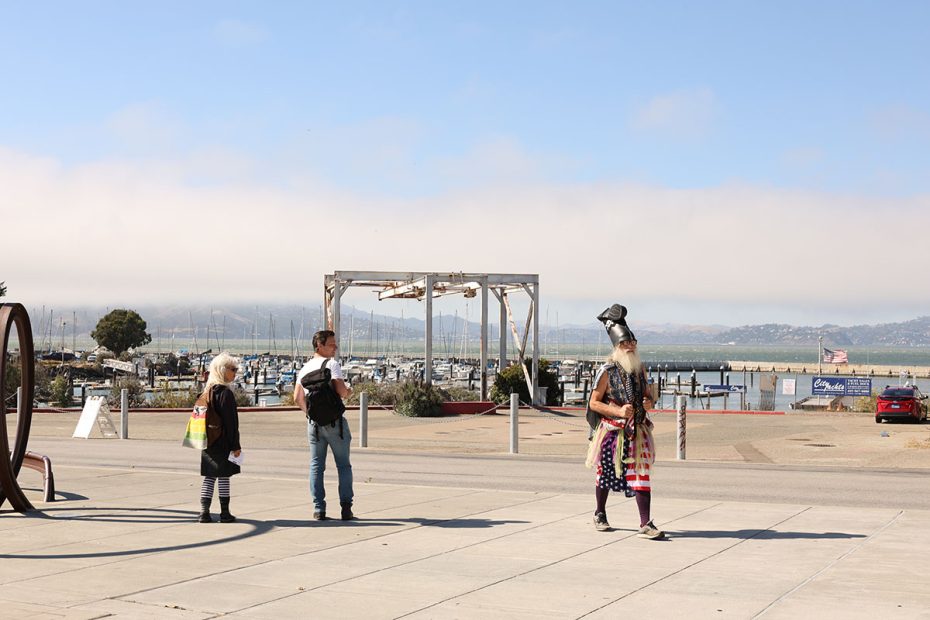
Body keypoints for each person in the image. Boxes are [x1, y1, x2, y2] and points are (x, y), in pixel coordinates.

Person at [585, 304, 663, 539]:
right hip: (612, 432)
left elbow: (649, 396)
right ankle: (599, 513)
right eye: (625, 343)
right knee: (606, 473)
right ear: (616, 346)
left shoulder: (640, 370)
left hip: (637, 431)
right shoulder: (607, 371)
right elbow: (593, 403)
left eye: (633, 342)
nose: (630, 347)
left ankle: (645, 523)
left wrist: (649, 402)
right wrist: (618, 412)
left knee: (641, 474)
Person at [294, 329, 354, 521]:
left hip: (314, 425)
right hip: (335, 424)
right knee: (343, 466)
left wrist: (311, 414)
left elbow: (297, 398)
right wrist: (349, 392)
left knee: (316, 466)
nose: (335, 347)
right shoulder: (332, 364)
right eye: (331, 344)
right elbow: (341, 391)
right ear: (319, 346)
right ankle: (346, 508)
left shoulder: (304, 369)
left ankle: (319, 509)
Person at [197, 352, 242, 523]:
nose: (235, 373)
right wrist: (235, 445)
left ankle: (204, 512)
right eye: (233, 369)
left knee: (209, 477)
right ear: (222, 370)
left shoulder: (207, 392)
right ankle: (224, 512)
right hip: (223, 441)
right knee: (223, 476)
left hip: (207, 439)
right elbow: (231, 424)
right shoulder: (225, 394)